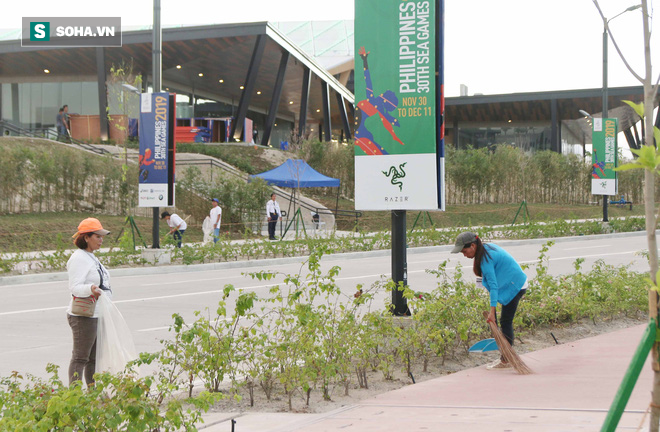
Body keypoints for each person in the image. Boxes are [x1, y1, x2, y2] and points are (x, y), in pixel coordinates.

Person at [451, 231, 527, 370]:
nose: (464, 254)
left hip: (515, 285)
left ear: (473, 246)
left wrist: (492, 312)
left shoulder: (486, 258)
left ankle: (506, 360)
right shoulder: (484, 249)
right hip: (510, 282)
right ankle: (506, 357)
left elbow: (493, 286)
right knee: (501, 321)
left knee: (505, 321)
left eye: (464, 251)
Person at [66, 217, 111, 386]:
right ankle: (75, 397)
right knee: (80, 358)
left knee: (93, 359)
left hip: (97, 313)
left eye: (102, 236)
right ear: (86, 237)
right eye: (97, 236)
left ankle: (92, 394)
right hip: (84, 315)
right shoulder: (79, 258)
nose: (101, 240)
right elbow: (75, 287)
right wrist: (91, 289)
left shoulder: (90, 256)